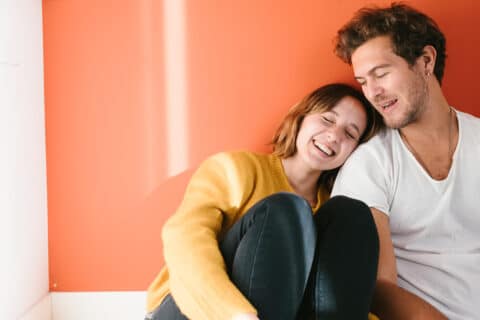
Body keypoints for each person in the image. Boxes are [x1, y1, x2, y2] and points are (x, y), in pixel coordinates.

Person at [145, 83, 383, 320]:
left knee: (351, 214)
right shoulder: (236, 169)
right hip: (195, 311)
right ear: (302, 118)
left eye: (350, 134)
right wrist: (237, 314)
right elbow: (184, 238)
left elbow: (346, 296)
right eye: (327, 120)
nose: (334, 135)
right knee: (287, 210)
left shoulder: (331, 217)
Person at [332, 3, 480, 320]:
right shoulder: (369, 166)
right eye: (363, 80)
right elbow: (378, 288)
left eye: (381, 73)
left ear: (425, 61)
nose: (372, 92)